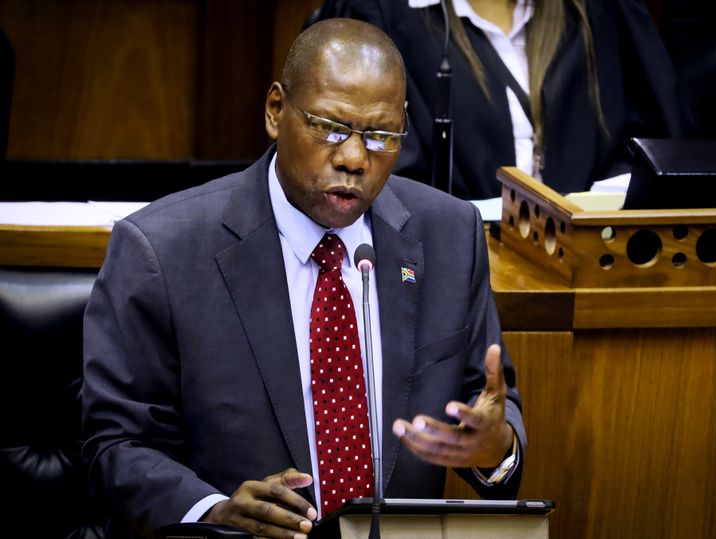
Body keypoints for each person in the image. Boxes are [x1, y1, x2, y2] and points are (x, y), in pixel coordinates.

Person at [82, 18, 526, 539]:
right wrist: (214, 510)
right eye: (331, 127)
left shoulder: (450, 236)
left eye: (381, 136)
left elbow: (489, 407)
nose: (355, 158)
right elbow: (116, 446)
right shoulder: (161, 250)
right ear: (276, 111)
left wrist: (494, 450)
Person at [314, 0, 688, 199]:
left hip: (591, 257)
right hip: (449, 263)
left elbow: (652, 140)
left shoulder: (598, 11)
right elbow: (376, 161)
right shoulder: (385, 11)